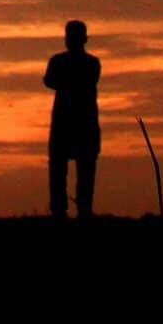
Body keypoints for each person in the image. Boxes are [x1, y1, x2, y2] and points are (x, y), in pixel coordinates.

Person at [44, 19, 102, 218]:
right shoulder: (89, 63)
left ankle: (77, 211)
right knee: (64, 171)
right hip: (72, 124)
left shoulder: (88, 63)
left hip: (76, 124)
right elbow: (51, 80)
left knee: (79, 171)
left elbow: (51, 80)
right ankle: (64, 211)